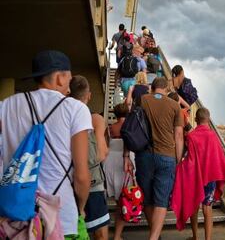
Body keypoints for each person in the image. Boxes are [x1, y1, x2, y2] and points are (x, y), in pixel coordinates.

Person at [0, 50, 92, 237]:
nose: (70, 83)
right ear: (59, 77)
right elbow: (81, 176)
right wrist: (80, 207)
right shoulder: (76, 109)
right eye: (69, 77)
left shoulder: (6, 105)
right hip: (60, 215)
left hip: (14, 217)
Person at [123, 77, 184, 240]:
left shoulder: (142, 100)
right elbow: (178, 136)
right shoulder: (174, 105)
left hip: (144, 156)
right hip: (167, 157)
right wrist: (178, 161)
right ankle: (154, 237)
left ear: (152, 88)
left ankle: (154, 235)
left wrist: (126, 156)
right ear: (167, 88)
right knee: (161, 200)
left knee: (148, 199)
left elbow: (130, 127)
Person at [171, 108, 225, 240]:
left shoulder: (191, 137)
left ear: (196, 120)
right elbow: (219, 158)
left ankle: (195, 237)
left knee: (194, 206)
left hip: (195, 178)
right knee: (207, 208)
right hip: (210, 177)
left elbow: (189, 159)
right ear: (208, 119)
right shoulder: (213, 136)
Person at [69, 75, 110, 239]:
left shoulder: (61, 116)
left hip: (63, 183)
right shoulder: (95, 119)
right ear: (89, 95)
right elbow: (101, 153)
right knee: (99, 233)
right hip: (91, 182)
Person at [103, 103, 135, 240]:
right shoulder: (131, 126)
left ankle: (115, 233)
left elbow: (104, 146)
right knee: (124, 198)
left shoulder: (109, 128)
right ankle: (117, 235)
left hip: (110, 162)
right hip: (125, 162)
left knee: (118, 200)